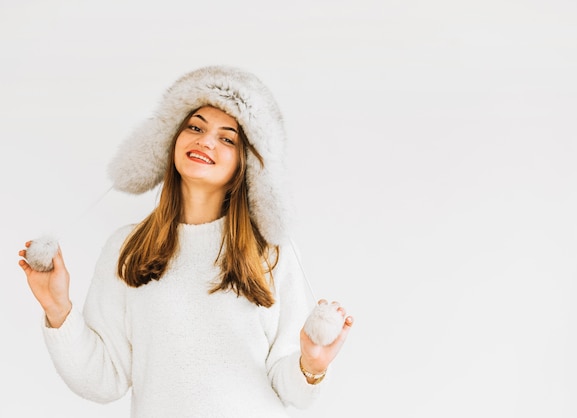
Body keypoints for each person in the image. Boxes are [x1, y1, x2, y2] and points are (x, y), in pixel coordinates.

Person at [17, 65, 354, 418]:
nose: (205, 141)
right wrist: (57, 308)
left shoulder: (271, 253)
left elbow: (292, 390)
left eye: (227, 138)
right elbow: (104, 379)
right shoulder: (127, 249)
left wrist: (311, 365)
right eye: (195, 127)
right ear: (171, 140)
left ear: (247, 164)